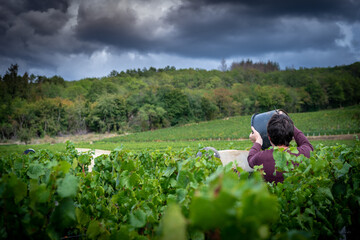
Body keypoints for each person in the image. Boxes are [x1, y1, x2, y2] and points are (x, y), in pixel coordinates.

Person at [248, 111, 313, 183]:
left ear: (269, 137)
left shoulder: (261, 157)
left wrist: (258, 141)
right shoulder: (304, 153)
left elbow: (250, 158)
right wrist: (286, 122)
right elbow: (306, 143)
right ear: (292, 136)